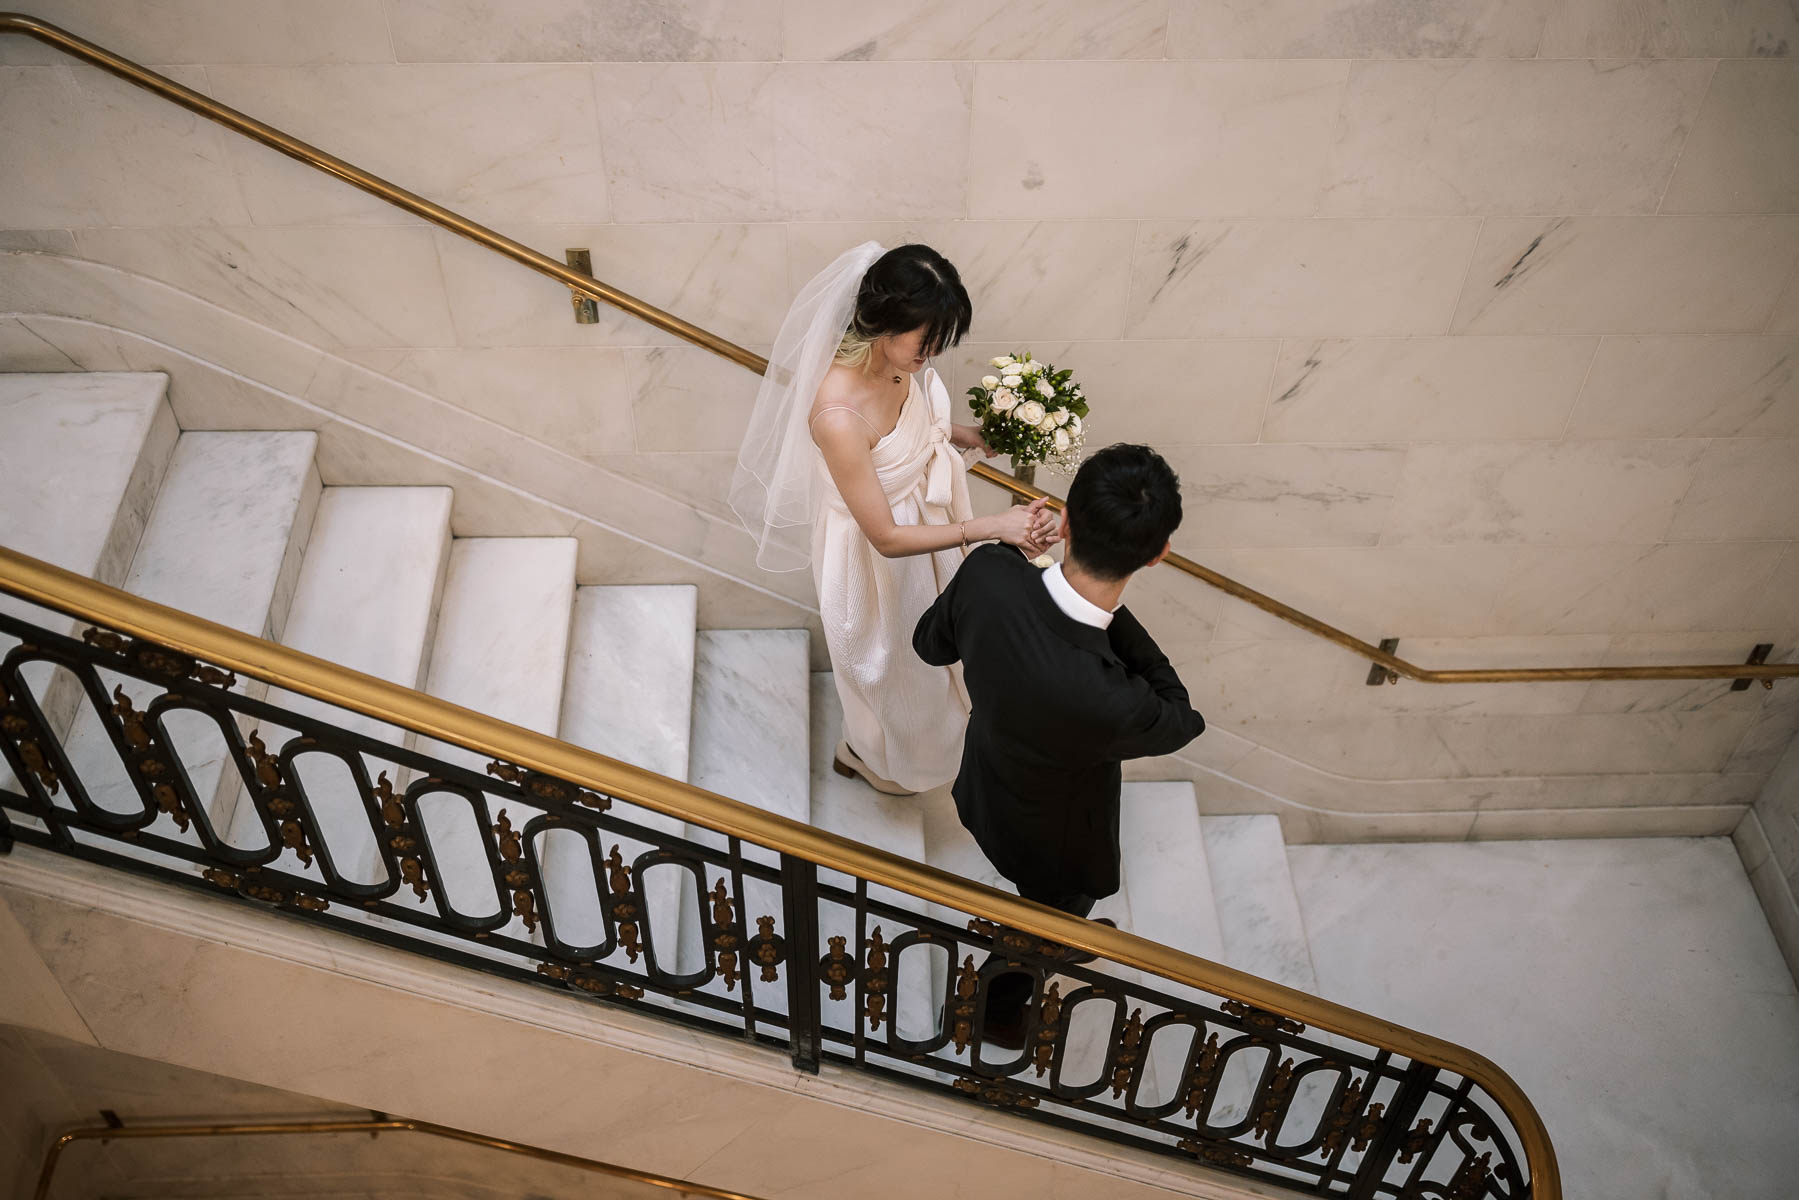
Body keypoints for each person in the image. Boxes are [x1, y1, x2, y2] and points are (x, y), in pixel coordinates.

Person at [729, 242, 1058, 795]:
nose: (931, 352)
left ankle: (928, 750)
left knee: (948, 656)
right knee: (900, 673)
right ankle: (873, 757)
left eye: (940, 339)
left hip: (931, 523)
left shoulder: (898, 363)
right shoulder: (836, 414)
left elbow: (911, 425)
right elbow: (883, 536)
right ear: (882, 321)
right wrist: (992, 528)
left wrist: (966, 437)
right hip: (881, 561)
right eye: (925, 337)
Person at [912, 443, 1205, 1046]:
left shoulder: (991, 571)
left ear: (1065, 520)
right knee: (1042, 931)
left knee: (1040, 916)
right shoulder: (1117, 701)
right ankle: (991, 1015)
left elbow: (929, 645)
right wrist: (1106, 612)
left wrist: (1040, 575)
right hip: (1059, 850)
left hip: (983, 788)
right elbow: (1182, 717)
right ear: (1157, 556)